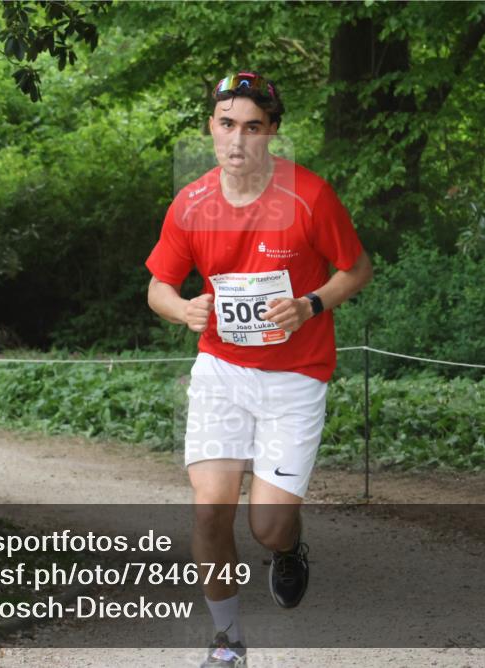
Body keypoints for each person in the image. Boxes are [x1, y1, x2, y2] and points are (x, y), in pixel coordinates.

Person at [145, 71, 373, 667]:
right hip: (222, 369)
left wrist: (310, 304)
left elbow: (356, 269)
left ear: (271, 130)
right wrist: (183, 309)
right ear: (211, 128)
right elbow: (158, 286)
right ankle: (228, 642)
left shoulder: (309, 196)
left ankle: (288, 549)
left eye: (252, 126)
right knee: (210, 510)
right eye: (227, 125)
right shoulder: (191, 203)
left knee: (268, 526)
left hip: (296, 376)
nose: (238, 139)